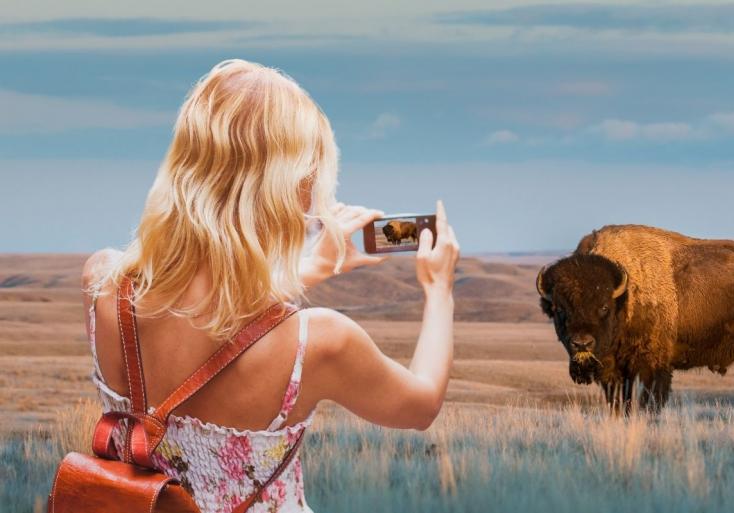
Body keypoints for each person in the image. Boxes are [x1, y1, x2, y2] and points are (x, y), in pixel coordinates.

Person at [81, 59, 460, 513]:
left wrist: (311, 269)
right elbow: (421, 406)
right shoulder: (320, 342)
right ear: (285, 189)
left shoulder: (104, 285)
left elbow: (212, 319)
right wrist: (439, 290)